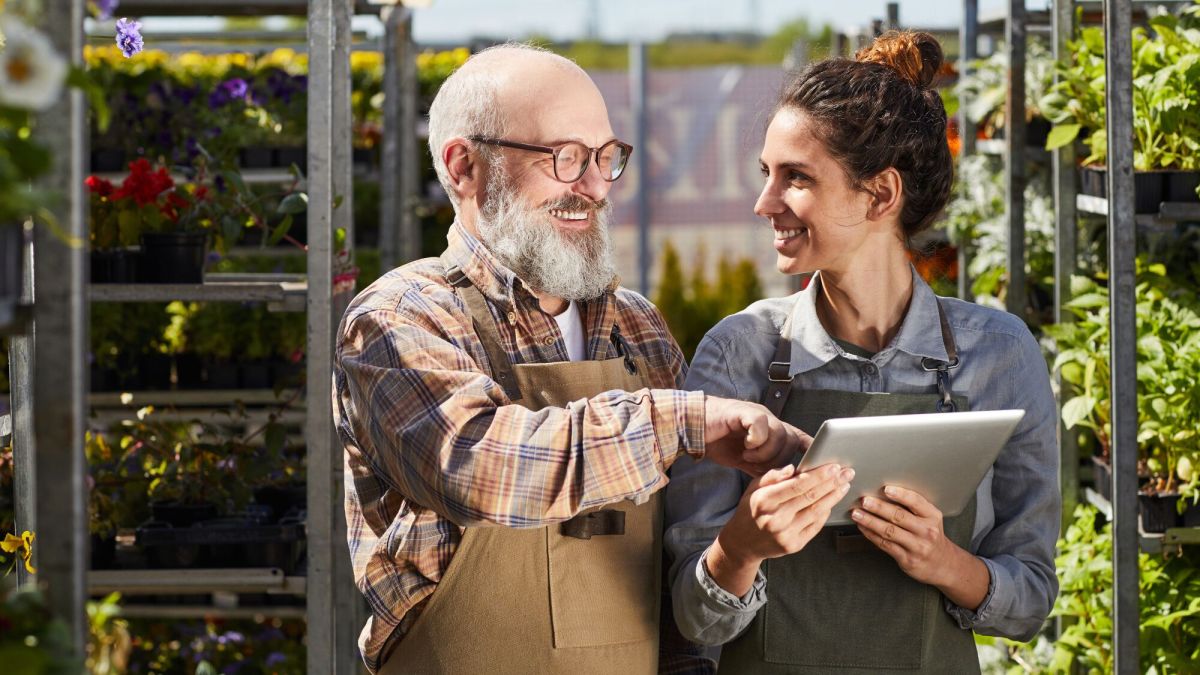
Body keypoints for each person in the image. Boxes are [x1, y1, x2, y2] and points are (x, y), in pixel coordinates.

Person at [333, 43, 808, 675]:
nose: (593, 186)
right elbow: (483, 465)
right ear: (463, 165)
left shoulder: (635, 326)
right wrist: (685, 422)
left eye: (605, 158)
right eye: (565, 157)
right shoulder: (400, 318)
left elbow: (673, 580)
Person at [663, 31, 1060, 674]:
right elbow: (691, 615)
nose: (765, 204)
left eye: (796, 179)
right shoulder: (739, 354)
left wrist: (944, 562)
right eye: (767, 175)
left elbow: (1031, 598)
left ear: (880, 195)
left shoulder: (999, 355)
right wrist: (740, 548)